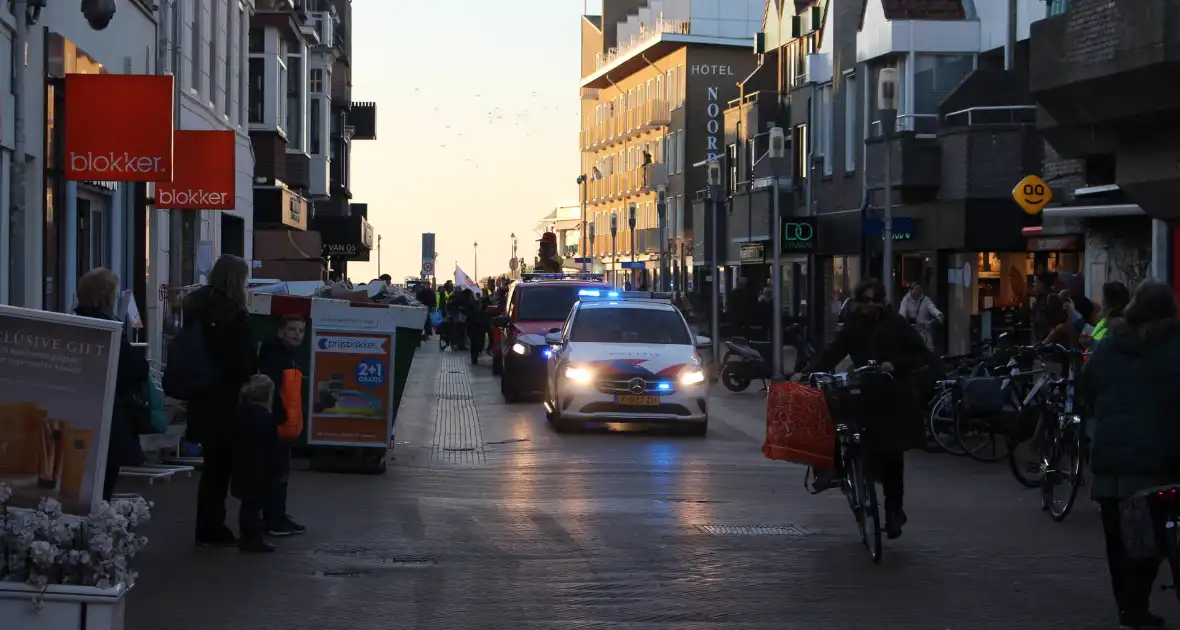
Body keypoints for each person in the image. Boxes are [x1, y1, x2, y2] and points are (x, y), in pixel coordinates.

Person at [1079, 280, 1180, 629]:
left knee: (1117, 542)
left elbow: (1085, 388)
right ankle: (1137, 607)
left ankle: (1127, 609)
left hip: (1110, 465)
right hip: (1156, 464)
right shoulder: (1173, 347)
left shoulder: (1109, 345)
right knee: (1152, 542)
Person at [794, 278, 929, 539]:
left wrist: (894, 364)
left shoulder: (896, 324)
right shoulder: (852, 327)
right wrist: (808, 372)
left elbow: (919, 353)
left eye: (873, 301)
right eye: (863, 301)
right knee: (836, 415)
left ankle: (893, 510)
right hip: (864, 392)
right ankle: (833, 469)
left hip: (892, 395)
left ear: (881, 302)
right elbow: (832, 353)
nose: (868, 306)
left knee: (891, 454)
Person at [185, 254, 258, 547]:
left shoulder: (198, 308)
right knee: (222, 466)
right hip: (226, 398)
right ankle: (213, 526)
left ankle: (208, 524)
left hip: (203, 395)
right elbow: (241, 362)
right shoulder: (231, 314)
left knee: (212, 466)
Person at [74, 268, 150, 501]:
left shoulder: (76, 322)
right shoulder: (108, 327)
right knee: (103, 480)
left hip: (83, 411)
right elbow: (135, 369)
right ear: (105, 296)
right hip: (109, 412)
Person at [256, 314, 308, 537]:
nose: (297, 334)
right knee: (276, 472)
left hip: (284, 423)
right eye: (292, 329)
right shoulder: (276, 357)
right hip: (277, 424)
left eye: (300, 331)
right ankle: (273, 518)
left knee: (281, 472)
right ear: (280, 331)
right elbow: (271, 389)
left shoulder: (286, 355)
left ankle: (277, 514)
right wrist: (280, 416)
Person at [231, 374, 281, 553]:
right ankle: (252, 539)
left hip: (242, 465)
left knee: (247, 504)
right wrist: (277, 470)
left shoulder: (241, 414)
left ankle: (246, 537)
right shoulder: (267, 419)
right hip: (260, 469)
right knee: (254, 506)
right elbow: (273, 448)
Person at [898, 282, 943, 350]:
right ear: (911, 290)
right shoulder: (906, 299)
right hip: (912, 329)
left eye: (919, 289)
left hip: (924, 329)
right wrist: (901, 320)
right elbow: (902, 311)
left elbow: (932, 308)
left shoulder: (926, 300)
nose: (917, 291)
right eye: (915, 289)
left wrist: (939, 315)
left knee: (929, 347)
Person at [1088, 281, 1130, 348]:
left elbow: (1111, 347)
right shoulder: (1104, 319)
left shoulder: (1118, 326)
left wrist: (1092, 342)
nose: (1102, 302)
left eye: (1104, 299)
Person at [460, 288, 488, 365]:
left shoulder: (468, 305)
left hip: (472, 326)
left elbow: (465, 313)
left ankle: (474, 358)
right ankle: (476, 354)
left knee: (473, 342)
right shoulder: (481, 304)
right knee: (479, 341)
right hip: (479, 326)